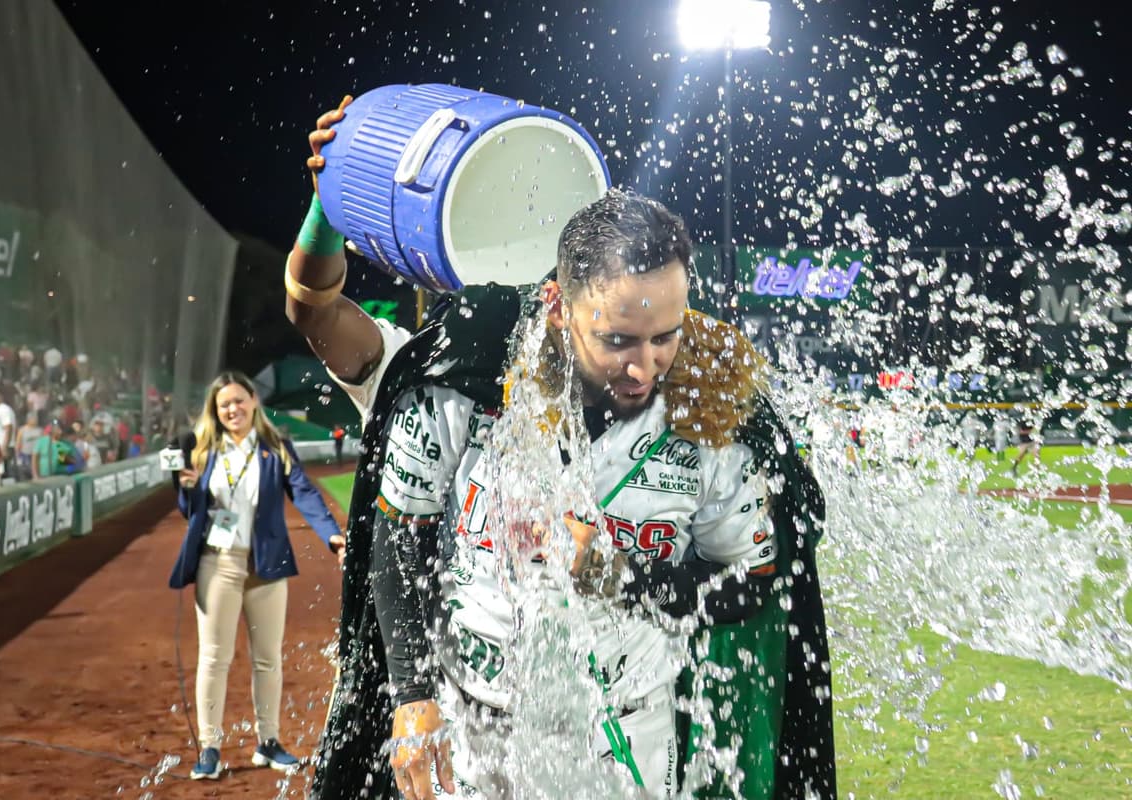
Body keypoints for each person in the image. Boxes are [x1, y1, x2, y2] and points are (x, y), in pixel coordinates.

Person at [291, 104, 834, 800]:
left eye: (666, 334)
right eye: (618, 341)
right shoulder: (471, 378)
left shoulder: (711, 420)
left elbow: (753, 581)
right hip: (471, 726)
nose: (648, 368)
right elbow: (401, 530)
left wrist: (627, 577)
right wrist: (412, 690)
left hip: (628, 739)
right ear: (556, 304)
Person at [167, 371, 347, 781]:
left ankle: (269, 741)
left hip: (265, 565)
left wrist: (332, 535)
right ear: (216, 411)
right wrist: (187, 489)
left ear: (253, 400)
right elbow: (189, 510)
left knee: (267, 659)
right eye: (223, 405)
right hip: (218, 563)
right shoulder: (201, 450)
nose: (232, 410)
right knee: (214, 659)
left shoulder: (276, 448)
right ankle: (209, 748)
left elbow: (303, 492)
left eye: (238, 401)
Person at [15, 412, 42, 480]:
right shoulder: (22, 430)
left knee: (36, 474)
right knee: (25, 474)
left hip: (37, 455)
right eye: (34, 419)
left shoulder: (40, 430)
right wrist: (18, 456)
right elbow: (18, 444)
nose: (36, 420)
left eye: (36, 419)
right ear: (28, 420)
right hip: (26, 455)